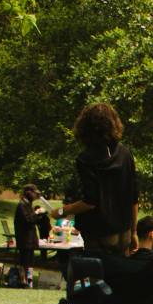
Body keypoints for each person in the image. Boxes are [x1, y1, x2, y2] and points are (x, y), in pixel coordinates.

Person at [63, 102, 139, 255]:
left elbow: (90, 201)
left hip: (98, 233)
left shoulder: (85, 159)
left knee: (97, 277)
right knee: (119, 276)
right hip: (123, 232)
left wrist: (61, 211)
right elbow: (134, 197)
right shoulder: (125, 154)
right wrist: (134, 231)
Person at [12, 183, 51, 286]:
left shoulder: (28, 204)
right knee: (24, 262)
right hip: (24, 239)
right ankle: (22, 281)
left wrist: (41, 215)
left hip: (30, 239)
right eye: (34, 193)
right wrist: (37, 213)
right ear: (28, 193)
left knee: (29, 262)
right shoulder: (22, 205)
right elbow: (28, 220)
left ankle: (28, 282)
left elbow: (34, 220)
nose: (35, 196)